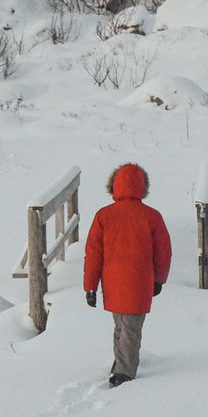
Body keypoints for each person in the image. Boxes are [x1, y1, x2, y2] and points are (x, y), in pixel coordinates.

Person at [83, 163, 171, 387]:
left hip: (112, 283)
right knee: (131, 328)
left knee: (121, 326)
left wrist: (90, 286)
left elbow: (93, 254)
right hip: (140, 283)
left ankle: (121, 366)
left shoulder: (103, 216)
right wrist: (159, 279)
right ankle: (124, 372)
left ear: (113, 186)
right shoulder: (152, 217)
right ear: (143, 187)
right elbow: (163, 251)